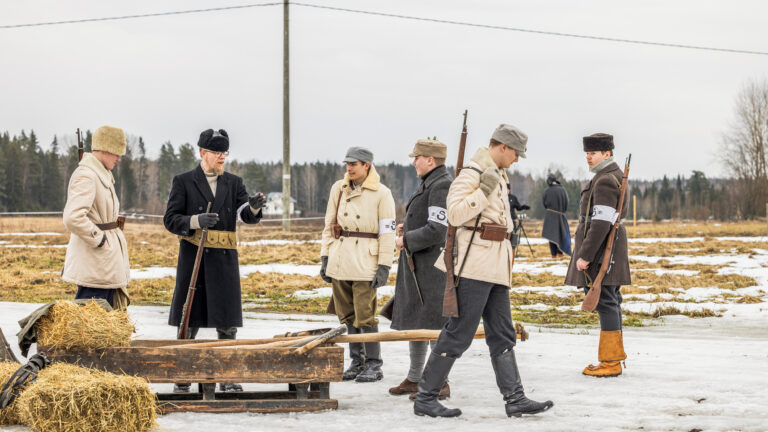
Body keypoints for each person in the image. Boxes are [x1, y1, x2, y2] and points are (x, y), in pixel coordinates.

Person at [415, 124, 553, 418]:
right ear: (502, 147)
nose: (517, 159)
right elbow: (455, 214)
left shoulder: (498, 175)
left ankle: (514, 397)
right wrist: (483, 190)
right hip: (475, 266)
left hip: (495, 267)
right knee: (459, 333)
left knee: (502, 334)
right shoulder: (473, 173)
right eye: (516, 153)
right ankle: (426, 397)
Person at [163, 128, 266, 392]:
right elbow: (171, 219)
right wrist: (195, 221)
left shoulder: (234, 182)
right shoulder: (184, 181)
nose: (222, 157)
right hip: (194, 260)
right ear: (203, 153)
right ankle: (183, 378)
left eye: (225, 152)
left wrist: (253, 206)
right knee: (190, 320)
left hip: (224, 263)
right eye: (217, 152)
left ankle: (228, 376)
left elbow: (244, 213)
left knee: (227, 321)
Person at [319, 147, 396, 383]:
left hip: (365, 260)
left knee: (366, 315)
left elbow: (388, 233)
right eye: (348, 164)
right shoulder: (338, 189)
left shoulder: (382, 194)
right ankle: (357, 361)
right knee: (347, 314)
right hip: (341, 259)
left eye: (355, 164)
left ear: (367, 166)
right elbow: (329, 224)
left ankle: (374, 363)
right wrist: (325, 257)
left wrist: (384, 265)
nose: (349, 168)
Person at [388, 139, 452, 399]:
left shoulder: (442, 185)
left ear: (431, 160)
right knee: (416, 319)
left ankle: (439, 382)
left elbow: (438, 229)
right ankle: (415, 378)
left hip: (431, 269)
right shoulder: (430, 182)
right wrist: (408, 229)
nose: (413, 162)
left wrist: (407, 240)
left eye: (417, 157)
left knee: (434, 325)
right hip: (419, 266)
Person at [564, 133, 630, 377]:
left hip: (602, 252)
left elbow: (600, 222)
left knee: (605, 303)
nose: (589, 158)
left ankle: (611, 361)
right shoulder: (611, 177)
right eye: (587, 154)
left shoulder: (604, 180)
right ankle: (613, 358)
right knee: (610, 302)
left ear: (607, 154)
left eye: (593, 153)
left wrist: (585, 254)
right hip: (607, 251)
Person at [62, 125, 131, 310]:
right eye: (116, 153)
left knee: (102, 320)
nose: (119, 158)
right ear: (103, 150)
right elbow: (72, 217)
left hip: (103, 261)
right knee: (90, 321)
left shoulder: (102, 174)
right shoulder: (87, 175)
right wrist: (99, 239)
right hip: (95, 261)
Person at [541, 173, 572, 257]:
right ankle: (559, 253)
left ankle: (554, 255)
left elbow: (544, 204)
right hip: (561, 215)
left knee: (551, 235)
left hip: (550, 215)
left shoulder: (547, 190)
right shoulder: (563, 190)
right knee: (560, 234)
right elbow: (566, 203)